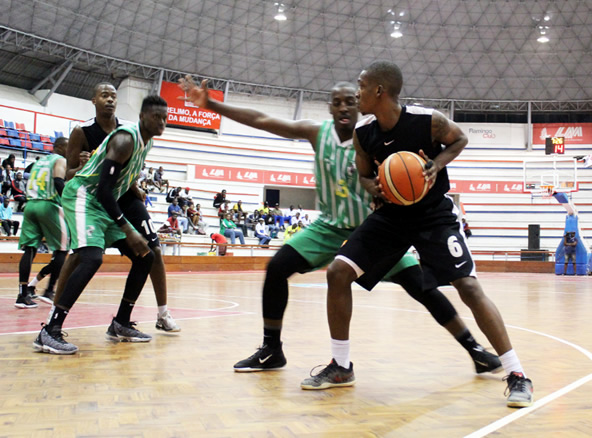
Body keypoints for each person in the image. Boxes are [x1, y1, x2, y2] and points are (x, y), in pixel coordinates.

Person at [179, 75, 502, 380]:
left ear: (359, 103)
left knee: (422, 287)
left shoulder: (374, 135)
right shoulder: (316, 132)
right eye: (337, 102)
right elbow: (263, 120)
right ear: (330, 107)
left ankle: (475, 350)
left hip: (373, 229)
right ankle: (271, 349)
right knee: (277, 267)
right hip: (328, 227)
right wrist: (212, 105)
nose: (344, 107)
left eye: (350, 100)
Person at [302, 61, 532, 407]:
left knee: (468, 286)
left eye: (362, 86)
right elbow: (365, 177)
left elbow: (460, 139)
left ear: (379, 90)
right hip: (391, 216)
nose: (357, 92)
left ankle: (517, 374)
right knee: (338, 272)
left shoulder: (427, 121)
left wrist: (435, 165)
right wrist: (376, 186)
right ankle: (341, 366)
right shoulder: (363, 135)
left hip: (433, 215)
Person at [33, 95, 168, 355]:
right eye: (156, 117)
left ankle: (121, 323)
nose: (161, 122)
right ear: (142, 117)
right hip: (83, 195)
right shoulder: (125, 139)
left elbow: (116, 186)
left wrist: (134, 191)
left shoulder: (145, 143)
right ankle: (49, 330)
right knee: (90, 258)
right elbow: (104, 191)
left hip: (103, 202)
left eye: (165, 118)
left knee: (145, 256)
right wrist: (128, 229)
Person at [58, 82, 179, 333]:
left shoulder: (139, 137)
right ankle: (52, 322)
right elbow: (74, 177)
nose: (111, 100)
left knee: (149, 252)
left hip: (115, 195)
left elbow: (123, 174)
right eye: (105, 95)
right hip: (89, 194)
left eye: (114, 96)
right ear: (94, 100)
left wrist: (133, 185)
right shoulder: (89, 132)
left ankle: (131, 320)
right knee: (85, 256)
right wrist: (127, 228)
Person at [15, 137, 69, 309]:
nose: (69, 150)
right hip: (48, 204)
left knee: (29, 249)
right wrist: (68, 201)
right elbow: (58, 181)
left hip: (30, 205)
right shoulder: (60, 159)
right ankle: (49, 290)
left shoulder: (39, 161)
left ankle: (24, 293)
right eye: (67, 147)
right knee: (62, 249)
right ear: (59, 147)